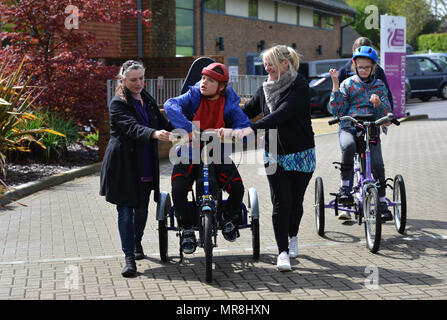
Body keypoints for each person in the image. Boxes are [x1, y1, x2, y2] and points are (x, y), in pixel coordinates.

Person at [234, 45, 316, 272]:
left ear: (284, 64)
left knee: (295, 203)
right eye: (266, 63)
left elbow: (283, 113)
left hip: (302, 154)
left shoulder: (300, 86)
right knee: (281, 203)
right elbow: (247, 110)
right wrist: (221, 108)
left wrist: (254, 128)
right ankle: (282, 253)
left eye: (271, 63)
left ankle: (293, 237)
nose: (266, 67)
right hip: (274, 155)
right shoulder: (265, 88)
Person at [164, 62, 252, 254]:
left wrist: (230, 132)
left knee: (237, 188)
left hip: (216, 151)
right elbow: (170, 105)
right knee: (178, 189)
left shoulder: (229, 103)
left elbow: (245, 128)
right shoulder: (193, 95)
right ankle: (187, 228)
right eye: (203, 78)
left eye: (210, 80)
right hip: (190, 151)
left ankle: (226, 218)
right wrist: (189, 128)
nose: (203, 82)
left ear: (221, 86)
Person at [100, 60, 173, 277]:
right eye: (133, 80)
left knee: (141, 209)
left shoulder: (147, 99)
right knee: (125, 212)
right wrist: (153, 134)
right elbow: (132, 127)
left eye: (141, 78)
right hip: (123, 165)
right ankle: (129, 258)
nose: (139, 83)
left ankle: (136, 242)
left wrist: (185, 130)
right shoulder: (117, 103)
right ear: (123, 80)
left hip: (145, 164)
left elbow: (163, 122)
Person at [329, 46, 393, 222]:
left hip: (371, 128)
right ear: (354, 66)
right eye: (360, 67)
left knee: (377, 164)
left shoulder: (379, 86)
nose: (363, 70)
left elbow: (387, 116)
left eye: (367, 67)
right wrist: (335, 83)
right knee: (349, 146)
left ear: (374, 67)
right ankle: (345, 188)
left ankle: (381, 202)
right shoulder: (348, 84)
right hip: (350, 125)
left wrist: (379, 104)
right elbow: (337, 110)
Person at [338, 37, 393, 111]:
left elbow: (386, 94)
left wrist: (389, 114)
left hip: (374, 114)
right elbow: (338, 98)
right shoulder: (344, 71)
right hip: (352, 117)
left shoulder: (378, 70)